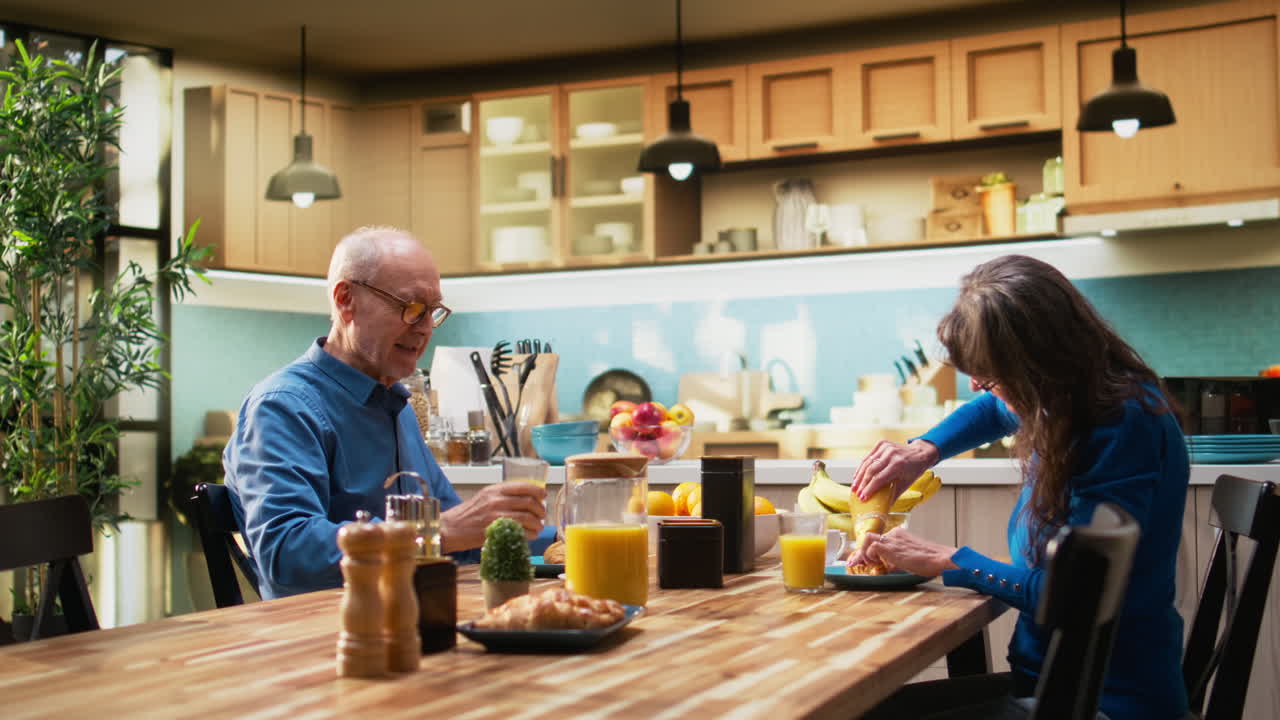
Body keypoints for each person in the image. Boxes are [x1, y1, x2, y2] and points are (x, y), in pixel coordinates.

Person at [848, 255, 1189, 720]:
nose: (978, 387)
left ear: (1039, 362)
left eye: (991, 376)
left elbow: (1073, 595)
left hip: (1106, 700)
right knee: (863, 709)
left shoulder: (1120, 424)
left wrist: (951, 561)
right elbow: (992, 410)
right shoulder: (1068, 396)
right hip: (1052, 682)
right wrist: (925, 449)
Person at [223, 226, 547, 600]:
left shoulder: (397, 406)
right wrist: (436, 532)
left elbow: (465, 540)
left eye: (432, 312)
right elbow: (288, 554)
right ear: (346, 300)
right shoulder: (283, 406)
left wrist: (571, 536)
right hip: (324, 638)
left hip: (412, 621)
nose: (425, 328)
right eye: (410, 308)